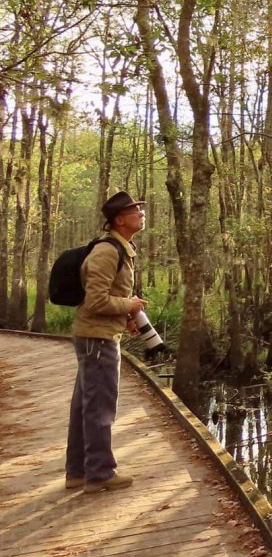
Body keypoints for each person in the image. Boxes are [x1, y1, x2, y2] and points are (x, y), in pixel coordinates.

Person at [65, 191, 149, 493]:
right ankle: (100, 473)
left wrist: (126, 318)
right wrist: (130, 306)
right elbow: (96, 301)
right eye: (135, 211)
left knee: (83, 406)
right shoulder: (107, 252)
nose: (141, 214)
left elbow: (106, 298)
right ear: (119, 219)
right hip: (95, 339)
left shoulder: (122, 249)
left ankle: (77, 472)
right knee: (99, 406)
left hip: (98, 334)